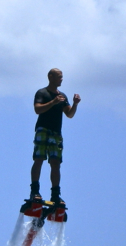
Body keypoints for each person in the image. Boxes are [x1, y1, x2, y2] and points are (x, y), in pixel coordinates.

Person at [30, 68, 81, 204]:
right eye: (59, 77)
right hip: (43, 130)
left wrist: (75, 104)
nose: (61, 79)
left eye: (62, 77)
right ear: (50, 77)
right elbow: (37, 109)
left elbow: (69, 114)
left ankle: (55, 195)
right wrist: (53, 102)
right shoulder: (42, 93)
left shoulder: (62, 96)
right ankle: (35, 191)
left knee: (55, 163)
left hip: (56, 133)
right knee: (39, 158)